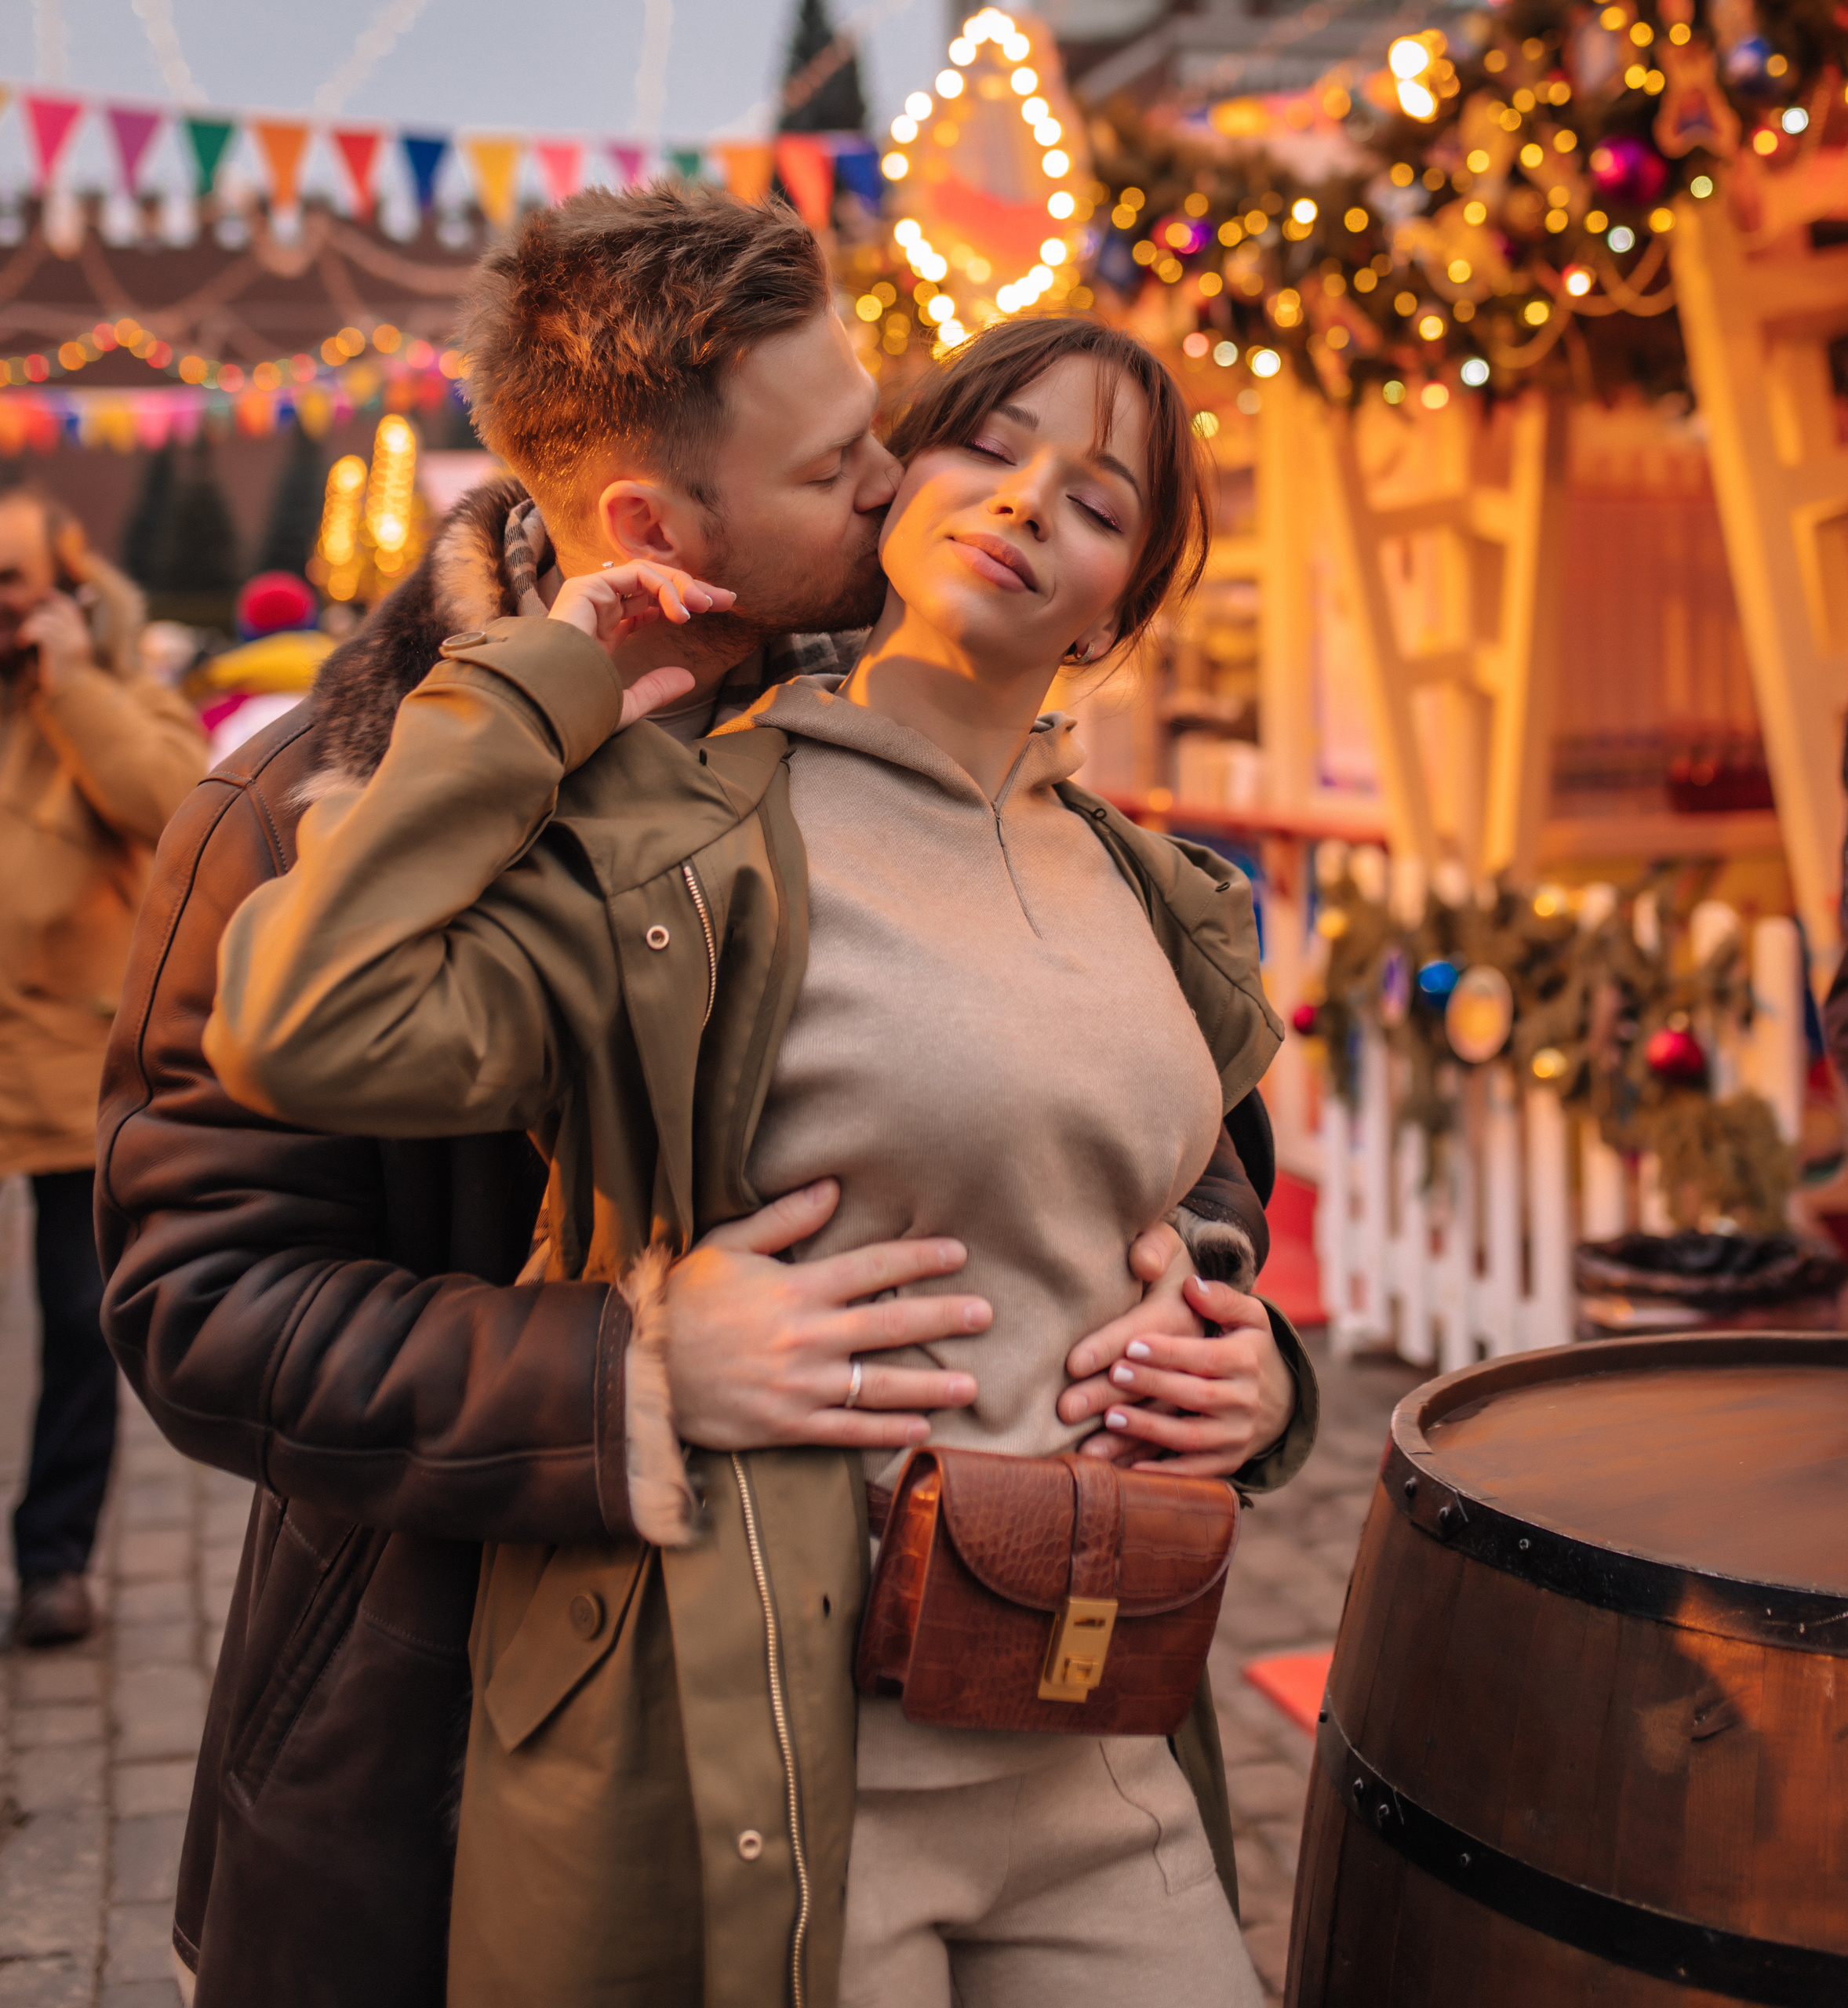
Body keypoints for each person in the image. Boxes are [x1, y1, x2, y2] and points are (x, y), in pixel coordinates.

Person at [96, 186, 1284, 2008]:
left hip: (1040, 1691)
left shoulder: (971, 760)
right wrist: (622, 1370)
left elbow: (1146, 1128)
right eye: (842, 466)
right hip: (480, 1713)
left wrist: (1215, 1312)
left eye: (891, 426)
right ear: (662, 524)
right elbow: (200, 1296)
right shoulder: (315, 812)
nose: (897, 484)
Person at [0, 486, 204, 1645]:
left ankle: (54, 1558)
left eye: (10, 579)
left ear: (64, 589)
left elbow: (177, 804)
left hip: (68, 1073)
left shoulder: (109, 697)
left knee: (82, 1328)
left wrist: (72, 681)